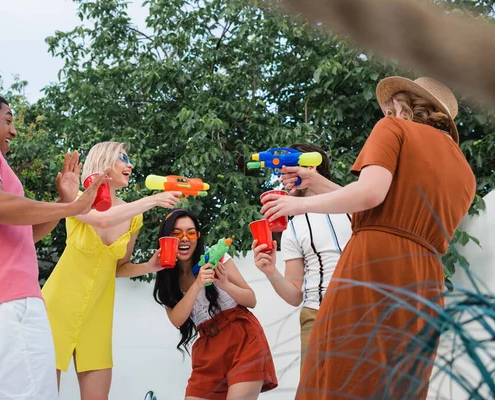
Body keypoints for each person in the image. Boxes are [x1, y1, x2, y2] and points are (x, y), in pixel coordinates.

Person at [261, 76, 476, 399]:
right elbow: (383, 207)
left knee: (342, 370)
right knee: (400, 380)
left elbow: (371, 195)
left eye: (391, 106)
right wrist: (314, 181)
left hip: (374, 264)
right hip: (425, 279)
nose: (388, 111)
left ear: (405, 105)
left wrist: (298, 203)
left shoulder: (393, 129)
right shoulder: (465, 172)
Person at [0, 90, 109, 400]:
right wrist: (72, 208)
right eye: (7, 120)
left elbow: (25, 234)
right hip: (8, 303)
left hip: (0, 304)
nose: (14, 131)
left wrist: (64, 201)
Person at [41, 141, 182, 400]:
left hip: (97, 314)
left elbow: (118, 267)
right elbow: (103, 219)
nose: (130, 164)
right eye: (122, 158)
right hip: (57, 308)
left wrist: (150, 266)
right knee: (43, 395)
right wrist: (152, 199)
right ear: (103, 163)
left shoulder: (134, 217)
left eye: (129, 159)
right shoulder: (75, 201)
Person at [153, 209, 278, 400]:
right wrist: (197, 284)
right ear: (166, 239)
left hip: (243, 338)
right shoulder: (166, 276)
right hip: (207, 346)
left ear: (198, 236)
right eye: (176, 233)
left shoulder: (216, 257)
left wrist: (225, 284)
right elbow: (177, 319)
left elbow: (251, 300)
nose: (184, 238)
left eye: (191, 232)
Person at [251, 143, 352, 371]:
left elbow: (366, 206)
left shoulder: (351, 203)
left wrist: (312, 180)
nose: (283, 180)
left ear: (311, 167)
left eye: (288, 172)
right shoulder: (292, 228)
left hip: (363, 310)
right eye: (281, 175)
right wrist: (270, 271)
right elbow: (295, 295)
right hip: (315, 316)